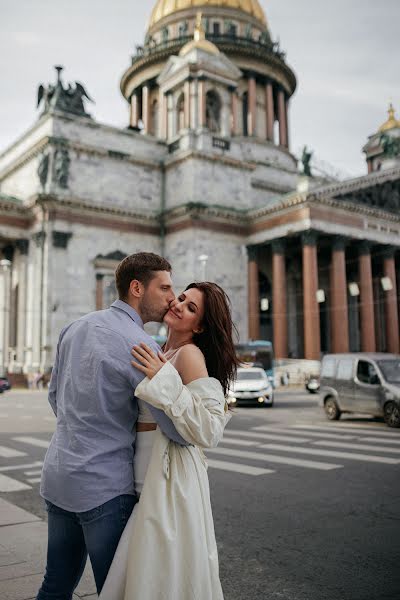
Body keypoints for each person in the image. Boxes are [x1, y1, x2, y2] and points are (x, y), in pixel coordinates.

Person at [36, 252, 191, 599]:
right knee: (118, 591)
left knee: (56, 584)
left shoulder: (74, 328)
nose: (171, 297)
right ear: (137, 288)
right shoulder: (142, 346)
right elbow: (175, 427)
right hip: (104, 489)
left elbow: (54, 398)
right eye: (165, 287)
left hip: (59, 476)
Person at [99, 282, 239, 600]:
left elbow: (211, 428)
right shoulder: (164, 351)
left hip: (171, 478)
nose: (178, 305)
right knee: (151, 565)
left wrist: (164, 378)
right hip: (146, 471)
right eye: (181, 298)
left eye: (191, 308)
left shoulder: (189, 354)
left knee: (156, 566)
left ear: (200, 325)